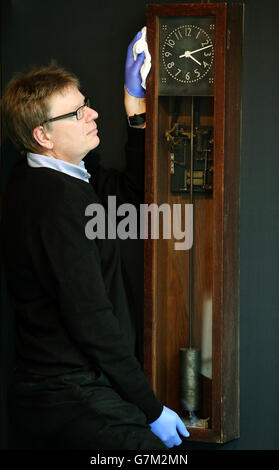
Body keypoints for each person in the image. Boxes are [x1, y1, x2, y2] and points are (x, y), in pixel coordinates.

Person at [1, 30, 189, 450]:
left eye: (86, 104)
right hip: (70, 399)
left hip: (80, 393)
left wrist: (135, 111)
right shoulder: (54, 202)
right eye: (77, 113)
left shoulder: (55, 177)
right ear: (43, 136)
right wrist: (151, 409)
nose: (93, 115)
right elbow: (90, 318)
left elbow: (133, 197)